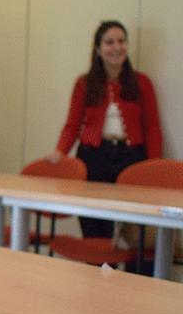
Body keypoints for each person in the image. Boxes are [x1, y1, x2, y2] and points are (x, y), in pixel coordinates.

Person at [46, 20, 163, 238]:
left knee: (134, 227)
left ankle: (130, 271)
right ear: (98, 49)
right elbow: (72, 125)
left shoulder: (142, 82)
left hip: (132, 158)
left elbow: (153, 128)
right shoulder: (84, 84)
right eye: (109, 42)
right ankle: (97, 271)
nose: (116, 47)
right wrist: (60, 151)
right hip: (94, 157)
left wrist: (152, 166)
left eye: (121, 41)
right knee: (94, 223)